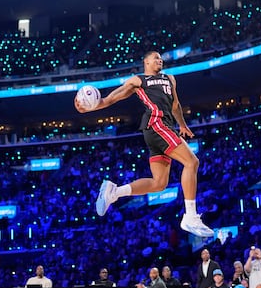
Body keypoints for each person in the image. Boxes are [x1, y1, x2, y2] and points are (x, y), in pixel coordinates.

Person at [79, 50, 214, 237]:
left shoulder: (170, 79)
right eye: (155, 57)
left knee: (159, 184)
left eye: (160, 58)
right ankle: (190, 216)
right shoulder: (138, 80)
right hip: (157, 125)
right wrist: (90, 106)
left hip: (164, 128)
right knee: (192, 162)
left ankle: (114, 192)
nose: (160, 60)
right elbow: (111, 98)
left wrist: (182, 125)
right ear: (146, 62)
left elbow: (175, 105)